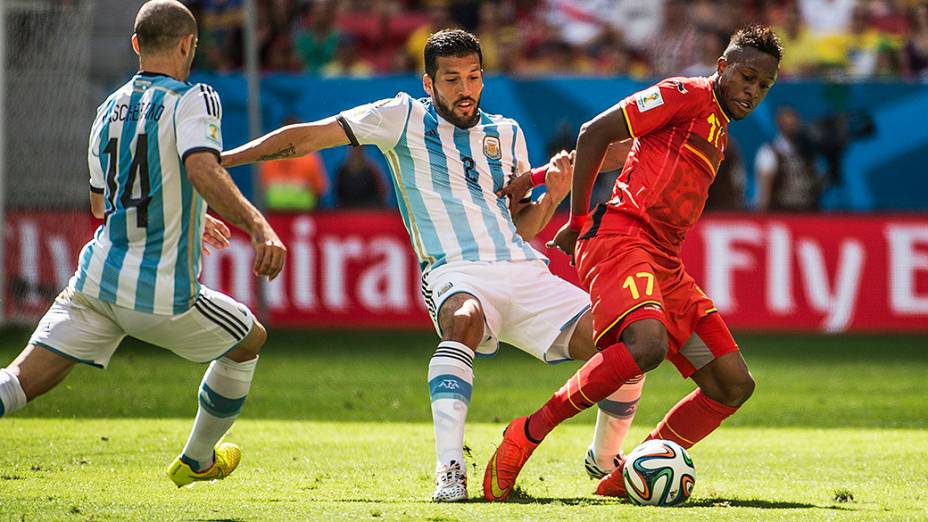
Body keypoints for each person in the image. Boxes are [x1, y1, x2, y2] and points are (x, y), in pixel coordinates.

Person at [220, 29, 643, 502]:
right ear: (428, 83)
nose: (465, 90)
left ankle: (605, 460)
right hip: (454, 270)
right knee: (463, 321)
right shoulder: (400, 117)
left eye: (474, 77)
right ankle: (450, 469)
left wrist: (555, 196)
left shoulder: (507, 133)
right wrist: (224, 160)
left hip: (523, 270)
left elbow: (521, 226)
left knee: (631, 338)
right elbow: (307, 139)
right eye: (452, 79)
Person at [486, 24, 781, 501]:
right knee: (646, 344)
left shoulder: (717, 131)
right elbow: (595, 131)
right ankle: (526, 434)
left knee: (732, 385)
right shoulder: (684, 94)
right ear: (722, 67)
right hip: (622, 236)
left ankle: (625, 479)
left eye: (763, 86)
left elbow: (621, 151)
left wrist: (539, 175)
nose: (753, 91)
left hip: (665, 261)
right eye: (747, 77)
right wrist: (577, 216)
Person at [0, 0, 287, 489]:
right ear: (188, 44)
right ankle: (197, 459)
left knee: (16, 382)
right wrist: (259, 225)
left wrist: (185, 216)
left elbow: (101, 204)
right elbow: (201, 167)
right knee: (249, 340)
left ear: (136, 45)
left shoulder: (106, 108)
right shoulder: (195, 98)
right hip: (158, 294)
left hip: (95, 281)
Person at [754, 106, 823, 212]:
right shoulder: (769, 152)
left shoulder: (808, 152)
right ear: (778, 123)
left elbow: (818, 184)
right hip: (783, 214)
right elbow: (764, 192)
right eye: (786, 120)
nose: (791, 123)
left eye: (793, 118)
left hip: (809, 213)